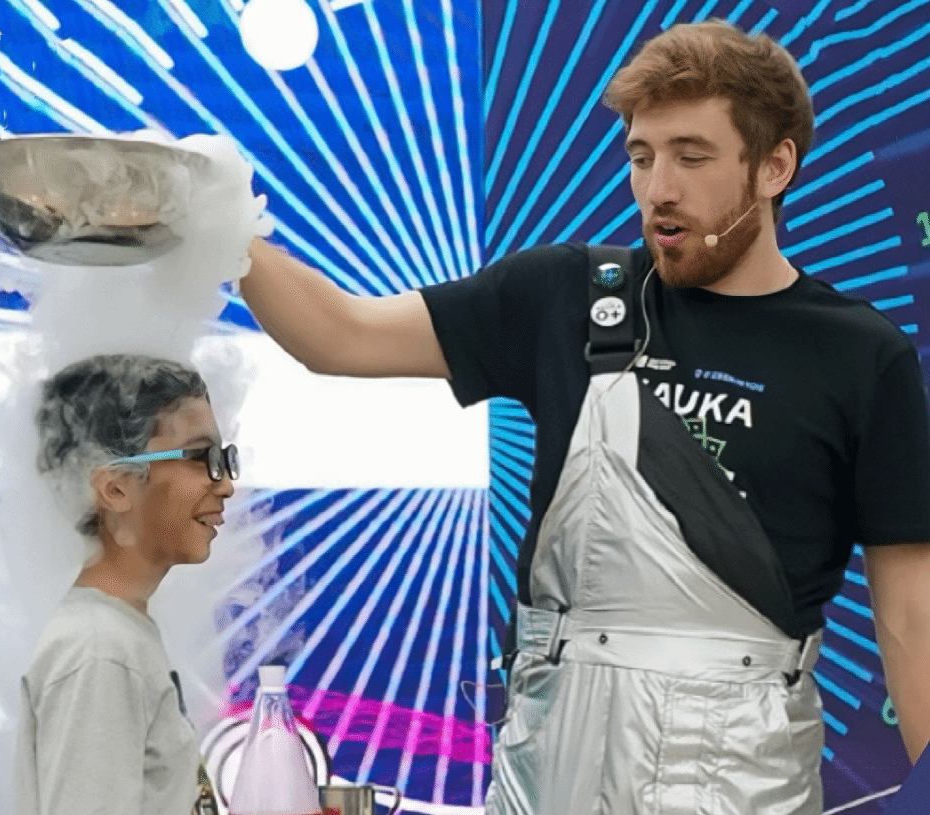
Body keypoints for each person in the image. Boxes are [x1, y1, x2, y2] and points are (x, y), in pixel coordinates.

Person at [238, 19, 930, 815]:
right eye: (641, 156)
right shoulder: (566, 297)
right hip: (552, 771)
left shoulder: (861, 354)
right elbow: (340, 335)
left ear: (774, 166)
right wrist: (216, 219)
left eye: (691, 157)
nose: (658, 188)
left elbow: (911, 616)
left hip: (749, 776)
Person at [15, 354, 239, 815]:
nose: (226, 486)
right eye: (202, 458)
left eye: (223, 459)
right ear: (115, 488)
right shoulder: (100, 651)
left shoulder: (116, 634)